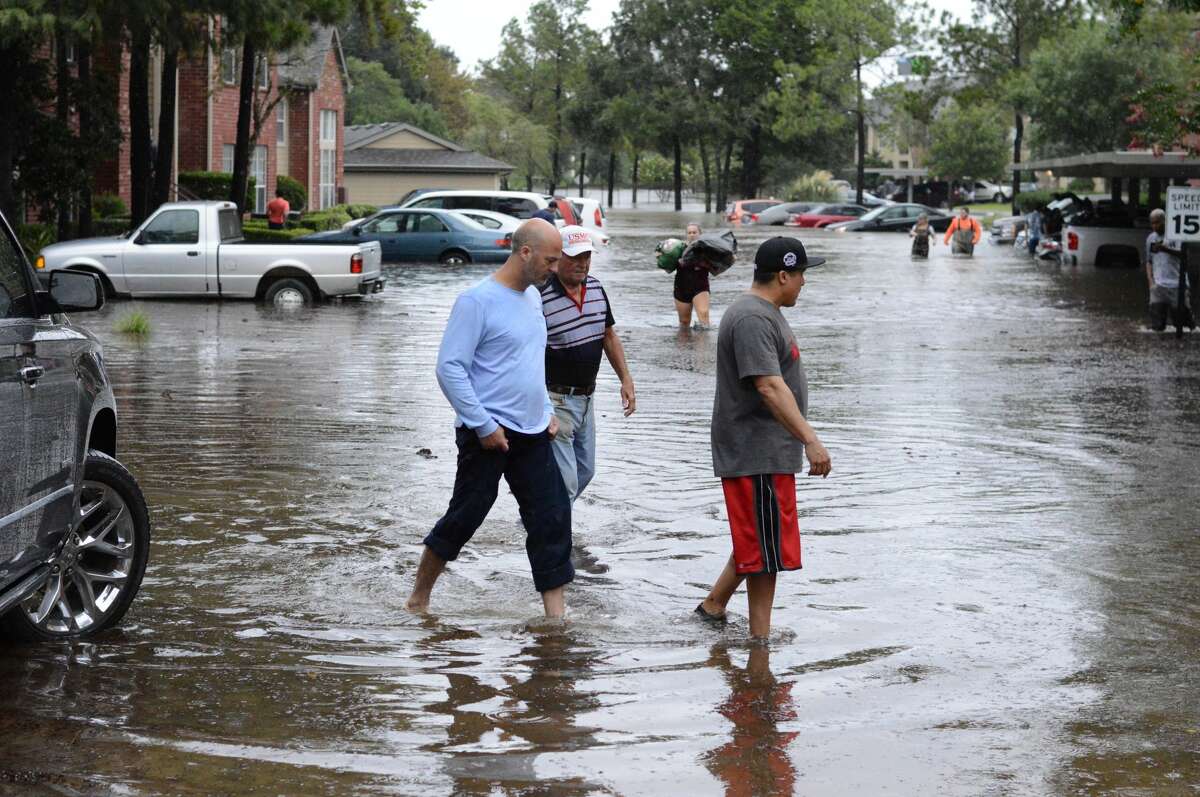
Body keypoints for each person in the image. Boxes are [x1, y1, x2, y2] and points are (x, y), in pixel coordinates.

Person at [406, 218, 574, 619]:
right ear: (525, 252)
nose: (555, 270)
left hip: (532, 432)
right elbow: (449, 368)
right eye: (550, 261)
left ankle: (556, 619)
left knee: (552, 516)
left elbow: (528, 362)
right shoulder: (476, 301)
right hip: (487, 432)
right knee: (467, 515)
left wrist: (547, 411)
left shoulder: (534, 298)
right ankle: (418, 598)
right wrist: (483, 425)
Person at [695, 236, 832, 640]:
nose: (805, 283)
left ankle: (713, 606)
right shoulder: (753, 318)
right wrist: (811, 440)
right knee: (766, 551)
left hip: (765, 451)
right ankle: (761, 644)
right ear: (784, 275)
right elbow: (769, 386)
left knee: (759, 537)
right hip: (756, 451)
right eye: (803, 274)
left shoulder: (761, 311)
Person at [541, 225, 636, 502]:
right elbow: (528, 352)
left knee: (585, 471)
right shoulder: (540, 296)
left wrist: (626, 380)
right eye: (575, 257)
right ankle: (557, 542)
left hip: (586, 399)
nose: (582, 264)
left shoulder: (595, 288)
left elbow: (609, 336)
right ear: (557, 257)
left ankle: (537, 521)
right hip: (555, 399)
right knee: (566, 483)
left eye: (586, 257)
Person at [1145, 208, 1195, 332]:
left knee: (1185, 327)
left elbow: (1185, 256)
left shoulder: (1177, 236)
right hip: (1158, 287)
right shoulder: (1151, 238)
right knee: (1156, 327)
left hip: (1177, 286)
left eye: (1157, 222)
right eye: (1152, 223)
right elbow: (1149, 261)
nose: (1154, 226)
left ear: (1165, 221)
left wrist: (1165, 249)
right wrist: (1151, 282)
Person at [675, 222, 712, 328]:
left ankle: (704, 343)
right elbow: (668, 268)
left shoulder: (707, 249)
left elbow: (718, 265)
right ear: (686, 234)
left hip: (700, 287)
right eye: (689, 232)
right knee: (684, 322)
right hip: (681, 287)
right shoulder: (679, 249)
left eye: (694, 232)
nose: (692, 234)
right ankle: (685, 345)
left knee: (704, 318)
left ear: (700, 233)